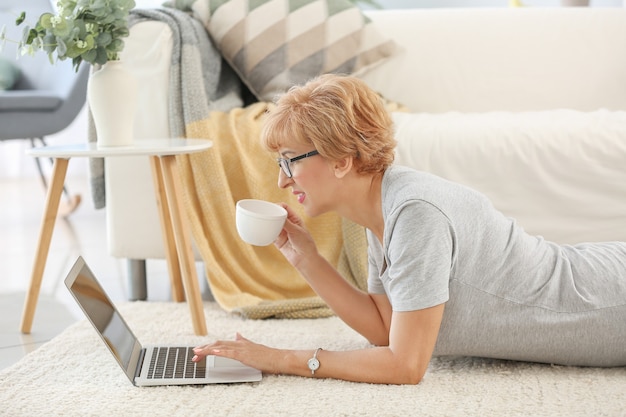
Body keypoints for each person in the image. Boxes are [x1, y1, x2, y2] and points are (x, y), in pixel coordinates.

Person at [192, 74, 626, 384]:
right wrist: (304, 257)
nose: (283, 179)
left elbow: (404, 365)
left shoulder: (415, 212)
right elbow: (385, 330)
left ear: (342, 159)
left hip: (611, 299)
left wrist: (280, 358)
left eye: (290, 160)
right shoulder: (380, 210)